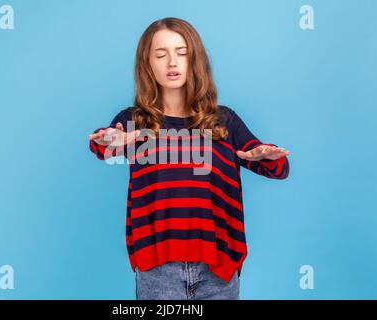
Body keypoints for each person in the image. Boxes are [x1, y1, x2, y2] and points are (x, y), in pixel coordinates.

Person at [88, 17, 290, 300]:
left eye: (181, 53)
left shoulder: (225, 121)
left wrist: (266, 155)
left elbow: (277, 168)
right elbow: (103, 147)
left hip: (219, 268)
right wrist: (109, 140)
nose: (172, 62)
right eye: (161, 54)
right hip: (157, 271)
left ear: (195, 60)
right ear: (148, 64)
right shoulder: (134, 122)